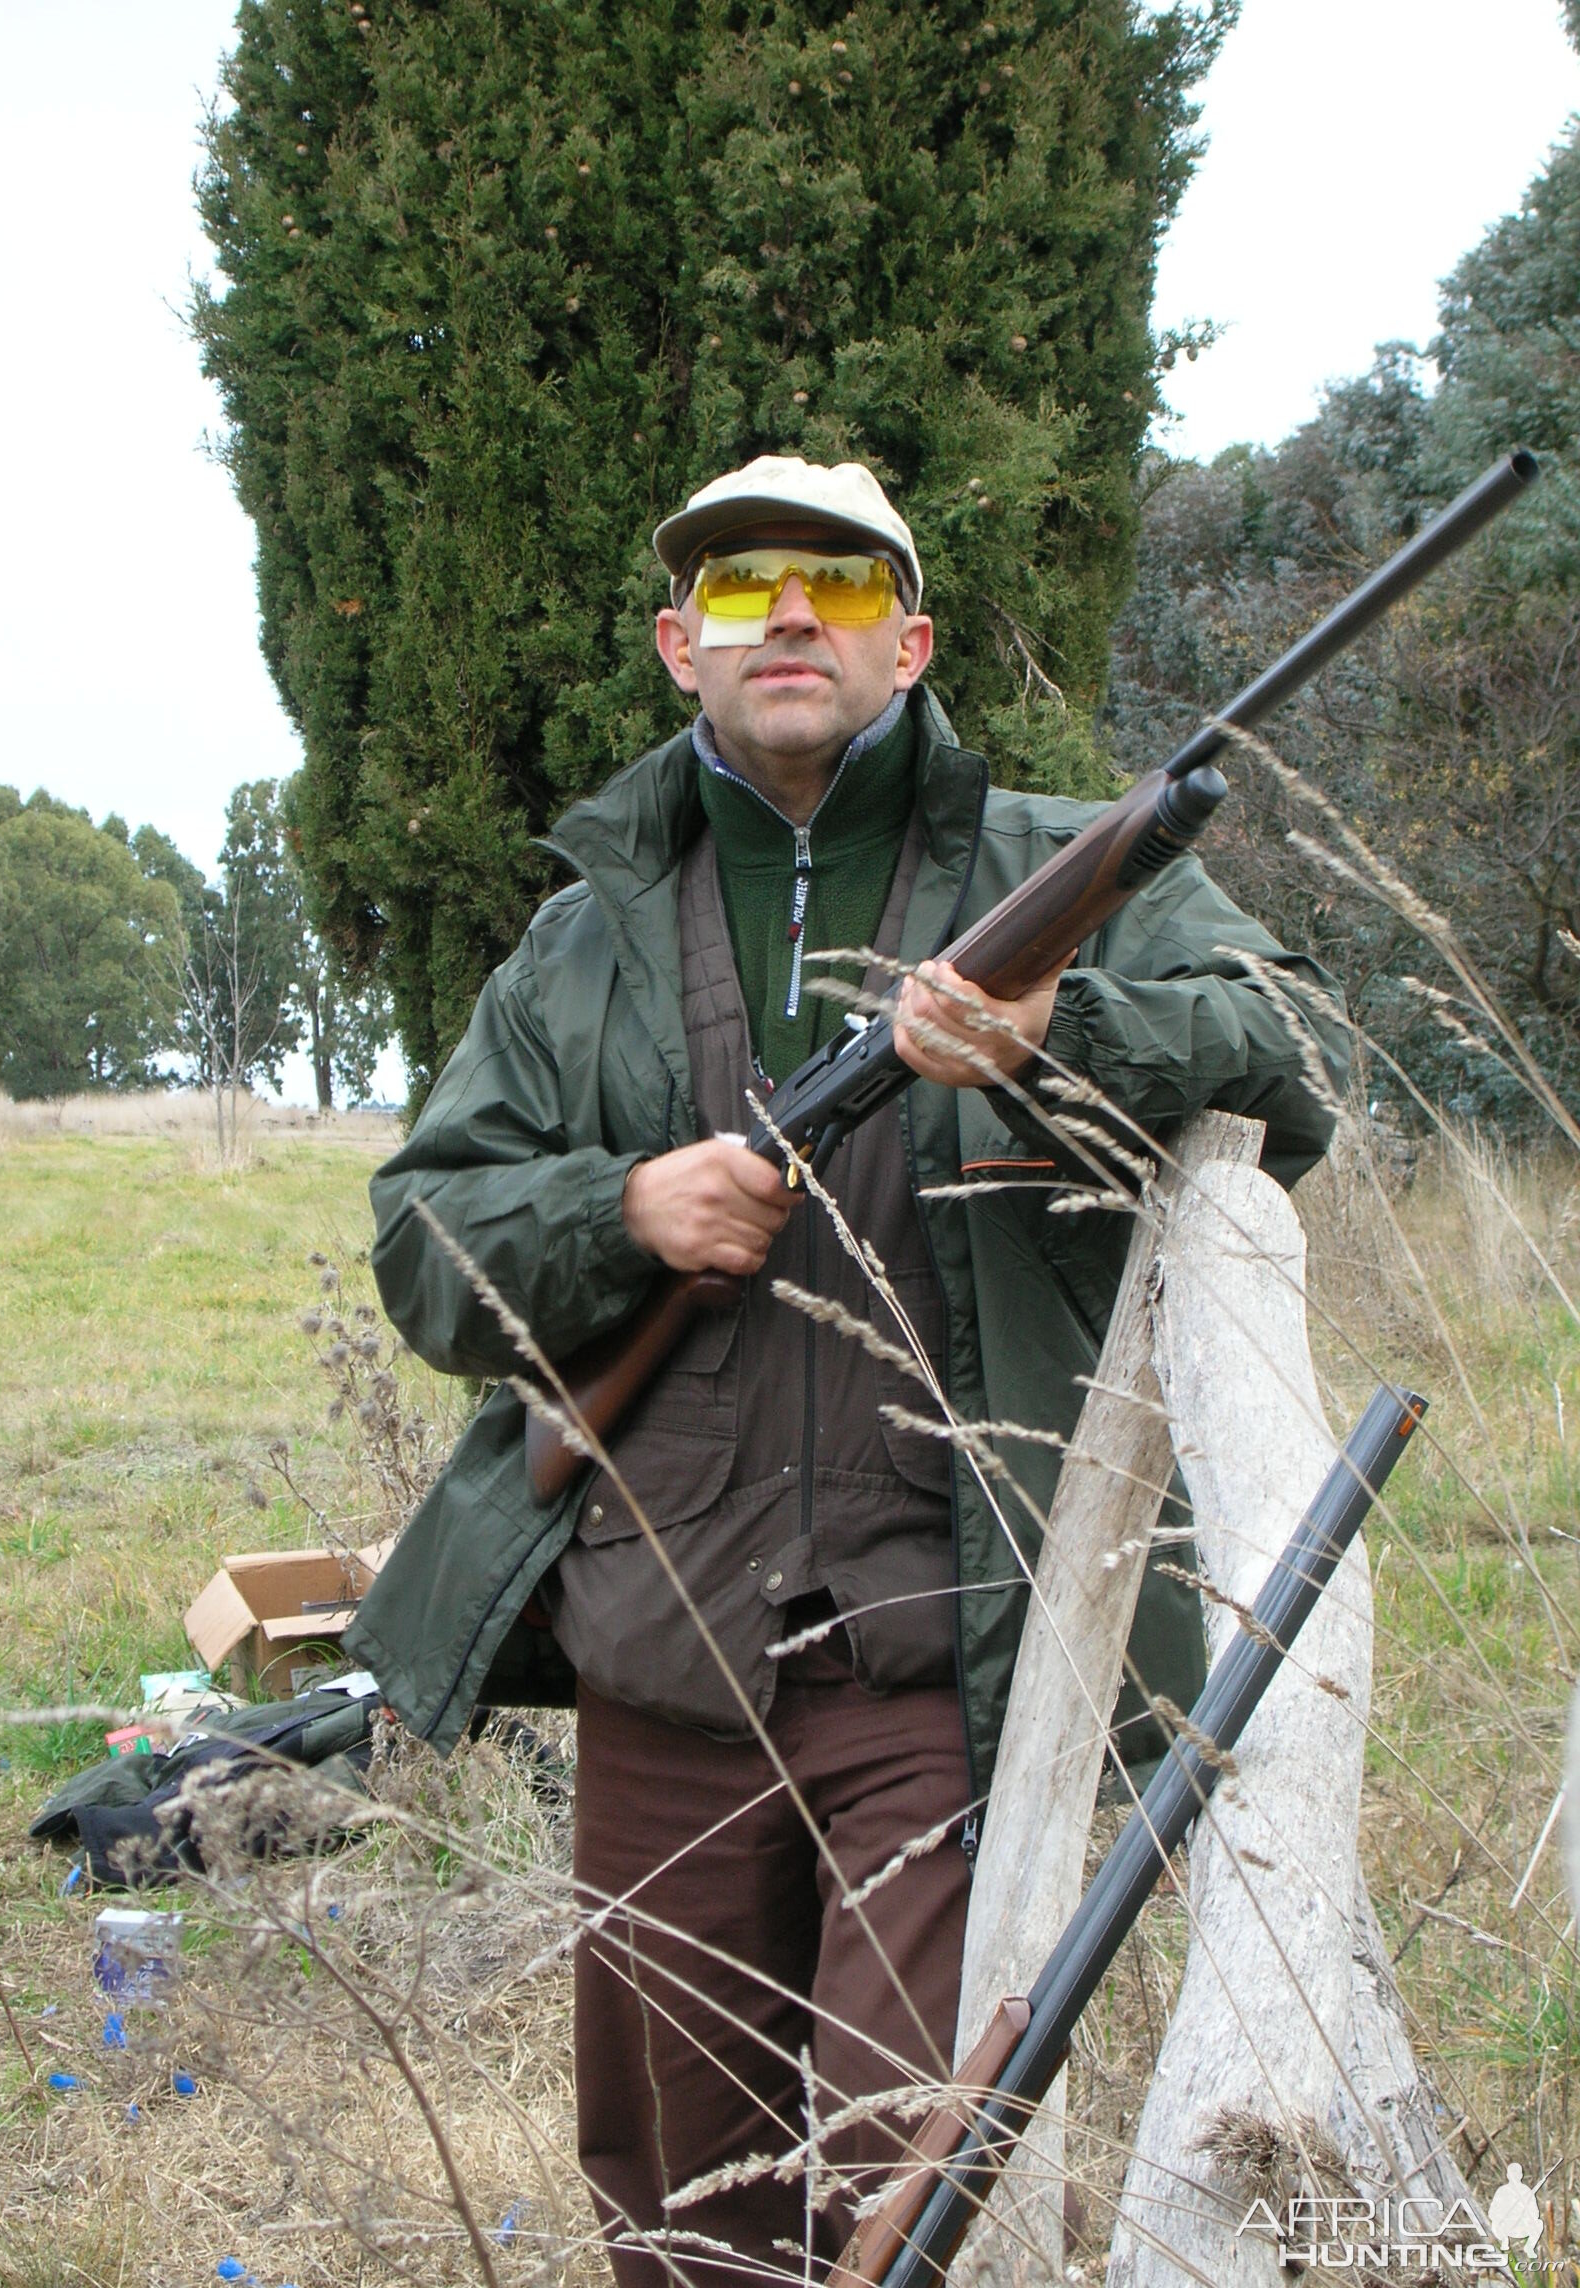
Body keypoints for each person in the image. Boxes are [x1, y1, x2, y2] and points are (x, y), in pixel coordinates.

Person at [350, 456, 1349, 2286]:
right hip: (667, 1644)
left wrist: (1066, 1037)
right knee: (675, 2203)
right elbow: (426, 1241)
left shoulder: (1057, 876)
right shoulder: (580, 946)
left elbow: (1293, 1067)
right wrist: (620, 1211)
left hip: (948, 1645)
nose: (786, 615)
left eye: (832, 581)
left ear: (912, 638)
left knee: (915, 2200)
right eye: (740, 591)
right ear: (681, 647)